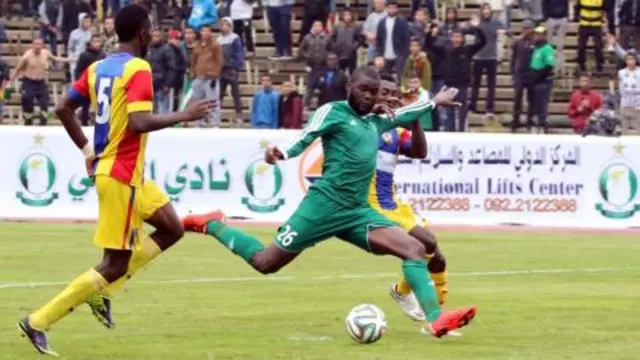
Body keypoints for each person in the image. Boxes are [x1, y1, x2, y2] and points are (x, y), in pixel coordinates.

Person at [183, 66, 476, 338]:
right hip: (323, 207)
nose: (368, 96)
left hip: (357, 211)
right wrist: (281, 155)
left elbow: (406, 113)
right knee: (265, 262)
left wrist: (435, 101)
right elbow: (306, 136)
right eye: (363, 89)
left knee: (414, 248)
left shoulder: (375, 121)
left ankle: (436, 318)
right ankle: (213, 224)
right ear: (350, 86)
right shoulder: (333, 112)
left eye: (373, 92)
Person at [17, 5, 216, 356]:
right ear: (142, 33)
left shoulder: (97, 68)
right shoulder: (139, 68)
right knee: (114, 264)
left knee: (171, 228)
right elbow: (138, 123)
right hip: (121, 175)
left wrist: (85, 149)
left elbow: (63, 107)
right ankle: (38, 321)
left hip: (127, 174)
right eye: (150, 29)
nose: (152, 35)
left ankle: (103, 292)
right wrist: (185, 114)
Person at [372, 73, 448, 321]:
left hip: (393, 203)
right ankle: (433, 318)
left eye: (393, 93)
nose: (390, 98)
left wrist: (414, 117)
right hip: (370, 205)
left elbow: (419, 152)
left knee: (437, 258)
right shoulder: (361, 124)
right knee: (427, 241)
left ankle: (403, 292)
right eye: (384, 92)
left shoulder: (396, 129)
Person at [425, 18, 486, 132]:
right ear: (451, 38)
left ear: (462, 39)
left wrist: (477, 28)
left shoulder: (467, 50)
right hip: (449, 86)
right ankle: (450, 134)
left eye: (459, 37)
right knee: (449, 115)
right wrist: (430, 31)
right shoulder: (445, 50)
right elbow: (429, 45)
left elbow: (482, 42)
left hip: (462, 86)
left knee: (462, 114)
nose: (457, 39)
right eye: (455, 37)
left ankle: (462, 134)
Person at [10, 38, 68, 126]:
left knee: (44, 103)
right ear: (32, 45)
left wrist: (69, 59)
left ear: (42, 45)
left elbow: (55, 59)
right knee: (27, 103)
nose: (37, 46)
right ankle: (28, 122)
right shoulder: (27, 56)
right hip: (28, 82)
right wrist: (11, 81)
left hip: (41, 83)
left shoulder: (46, 53)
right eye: (36, 44)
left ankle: (43, 123)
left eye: (39, 44)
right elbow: (18, 69)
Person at [470, 6, 505, 121]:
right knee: (475, 84)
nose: (486, 11)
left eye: (488, 9)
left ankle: (489, 108)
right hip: (478, 57)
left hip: (491, 57)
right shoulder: (477, 22)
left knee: (491, 86)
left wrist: (502, 32)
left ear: (491, 11)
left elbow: (504, 31)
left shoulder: (496, 23)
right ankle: (472, 106)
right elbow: (469, 30)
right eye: (484, 10)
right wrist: (472, 25)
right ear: (481, 11)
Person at [190, 25, 223, 127]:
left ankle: (215, 123)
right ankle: (199, 122)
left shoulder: (215, 45)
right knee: (198, 102)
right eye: (203, 31)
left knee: (212, 102)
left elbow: (219, 61)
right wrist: (193, 73)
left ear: (210, 33)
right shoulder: (197, 45)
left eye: (207, 31)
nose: (204, 33)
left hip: (210, 78)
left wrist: (215, 74)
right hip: (198, 77)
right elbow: (193, 61)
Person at [527, 26, 555, 133]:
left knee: (541, 104)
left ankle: (543, 125)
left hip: (543, 81)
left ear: (544, 35)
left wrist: (538, 76)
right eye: (536, 34)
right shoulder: (535, 48)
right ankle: (535, 124)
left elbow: (549, 65)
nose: (537, 36)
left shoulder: (547, 48)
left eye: (539, 34)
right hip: (534, 81)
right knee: (534, 105)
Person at [219, 17, 245, 125]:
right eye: (222, 25)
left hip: (231, 68)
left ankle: (239, 115)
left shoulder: (235, 38)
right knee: (219, 93)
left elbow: (239, 53)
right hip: (221, 69)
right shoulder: (219, 39)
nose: (224, 27)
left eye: (226, 25)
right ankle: (216, 114)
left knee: (235, 93)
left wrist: (237, 66)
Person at [510, 19, 535, 132]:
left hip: (531, 73)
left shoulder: (535, 42)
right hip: (520, 73)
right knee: (517, 96)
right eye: (524, 28)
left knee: (531, 98)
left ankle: (530, 119)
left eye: (528, 28)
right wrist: (513, 73)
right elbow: (513, 58)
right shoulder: (517, 42)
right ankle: (516, 119)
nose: (526, 30)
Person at [75, 34, 105, 125]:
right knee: (85, 105)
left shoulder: (103, 55)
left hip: (100, 83)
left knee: (101, 104)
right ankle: (84, 122)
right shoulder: (84, 55)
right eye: (94, 42)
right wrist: (80, 83)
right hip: (87, 83)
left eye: (98, 42)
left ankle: (100, 123)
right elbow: (79, 70)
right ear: (90, 43)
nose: (96, 44)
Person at [299, 20, 330, 108]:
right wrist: (307, 56)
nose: (317, 28)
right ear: (313, 27)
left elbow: (331, 49)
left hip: (324, 66)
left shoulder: (327, 37)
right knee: (310, 87)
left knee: (324, 87)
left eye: (319, 26)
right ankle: (306, 106)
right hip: (311, 67)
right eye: (315, 26)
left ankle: (323, 106)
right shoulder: (307, 37)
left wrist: (327, 57)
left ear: (322, 27)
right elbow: (301, 51)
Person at [376, 0, 410, 77]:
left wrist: (404, 55)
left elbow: (406, 39)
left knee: (401, 78)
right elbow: (379, 40)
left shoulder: (402, 21)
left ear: (397, 9)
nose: (392, 10)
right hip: (385, 55)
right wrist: (379, 54)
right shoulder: (382, 22)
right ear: (386, 8)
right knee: (385, 78)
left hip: (399, 55)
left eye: (394, 8)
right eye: (390, 8)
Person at [148, 29, 178, 114]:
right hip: (150, 85)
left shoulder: (167, 49)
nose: (155, 38)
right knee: (151, 111)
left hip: (162, 85)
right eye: (153, 36)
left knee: (162, 112)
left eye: (157, 36)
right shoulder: (148, 49)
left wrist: (168, 84)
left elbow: (172, 68)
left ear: (162, 37)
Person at [574, 0, 605, 76]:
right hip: (584, 24)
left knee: (598, 46)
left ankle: (599, 65)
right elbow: (577, 7)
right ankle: (581, 64)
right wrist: (576, 17)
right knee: (581, 46)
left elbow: (605, 9)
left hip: (596, 24)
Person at [330, 8, 363, 75]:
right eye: (345, 15)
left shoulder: (356, 26)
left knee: (352, 73)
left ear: (351, 16)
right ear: (343, 16)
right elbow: (332, 38)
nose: (347, 17)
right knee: (339, 73)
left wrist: (354, 46)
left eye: (349, 15)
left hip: (351, 54)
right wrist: (335, 45)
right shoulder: (337, 26)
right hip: (339, 54)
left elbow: (360, 39)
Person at [617, 50, 640, 132]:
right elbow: (621, 88)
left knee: (637, 130)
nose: (630, 61)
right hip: (625, 102)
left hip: (637, 103)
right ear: (626, 60)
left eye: (633, 59)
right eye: (628, 59)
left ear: (636, 60)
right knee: (625, 129)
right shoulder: (621, 72)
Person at [68, 13, 93, 82]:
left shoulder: (91, 33)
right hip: (76, 60)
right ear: (81, 22)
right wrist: (71, 58)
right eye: (86, 21)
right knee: (76, 82)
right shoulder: (74, 33)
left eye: (89, 21)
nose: (88, 23)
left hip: (87, 61)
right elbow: (70, 48)